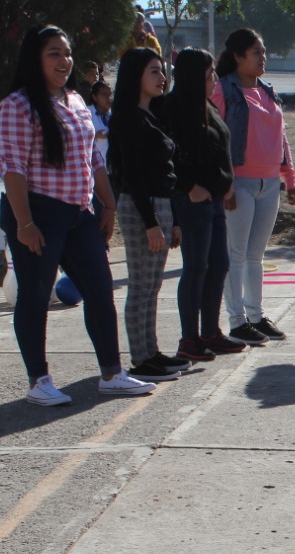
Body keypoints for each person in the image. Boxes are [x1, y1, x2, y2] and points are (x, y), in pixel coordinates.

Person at [0, 24, 153, 405]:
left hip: (79, 213)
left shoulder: (76, 100)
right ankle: (39, 381)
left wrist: (108, 205)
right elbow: (12, 168)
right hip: (37, 214)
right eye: (54, 53)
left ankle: (113, 373)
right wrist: (25, 224)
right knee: (34, 298)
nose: (64, 61)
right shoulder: (17, 105)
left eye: (67, 53)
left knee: (100, 291)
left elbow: (92, 158)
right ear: (36, 58)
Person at [211, 28, 295, 345]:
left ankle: (256, 316)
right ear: (238, 56)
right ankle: (236, 322)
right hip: (239, 183)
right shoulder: (223, 90)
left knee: (256, 255)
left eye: (263, 52)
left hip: (268, 183)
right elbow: (216, 138)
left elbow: (281, 137)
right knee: (236, 254)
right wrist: (225, 183)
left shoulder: (267, 90)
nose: (263, 58)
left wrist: (289, 177)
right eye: (256, 52)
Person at [109, 47, 190, 382]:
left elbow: (164, 172)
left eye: (162, 71)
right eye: (153, 71)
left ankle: (152, 351)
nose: (162, 77)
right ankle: (140, 358)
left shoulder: (152, 113)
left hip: (160, 203)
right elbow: (133, 174)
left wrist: (172, 219)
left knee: (153, 286)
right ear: (135, 76)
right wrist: (151, 223)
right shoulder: (128, 116)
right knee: (141, 287)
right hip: (141, 206)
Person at [163, 48, 244, 363]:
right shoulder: (173, 108)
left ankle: (211, 332)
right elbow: (170, 156)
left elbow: (219, 149)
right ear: (195, 76)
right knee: (196, 267)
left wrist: (227, 185)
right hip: (192, 202)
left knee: (218, 265)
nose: (215, 80)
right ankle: (190, 338)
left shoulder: (208, 107)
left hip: (214, 201)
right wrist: (187, 187)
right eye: (210, 74)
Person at [88, 80, 112, 164]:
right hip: (93, 167)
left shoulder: (113, 114)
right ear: (94, 97)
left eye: (110, 94)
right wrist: (95, 136)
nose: (108, 98)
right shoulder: (86, 113)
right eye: (104, 94)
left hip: (111, 166)